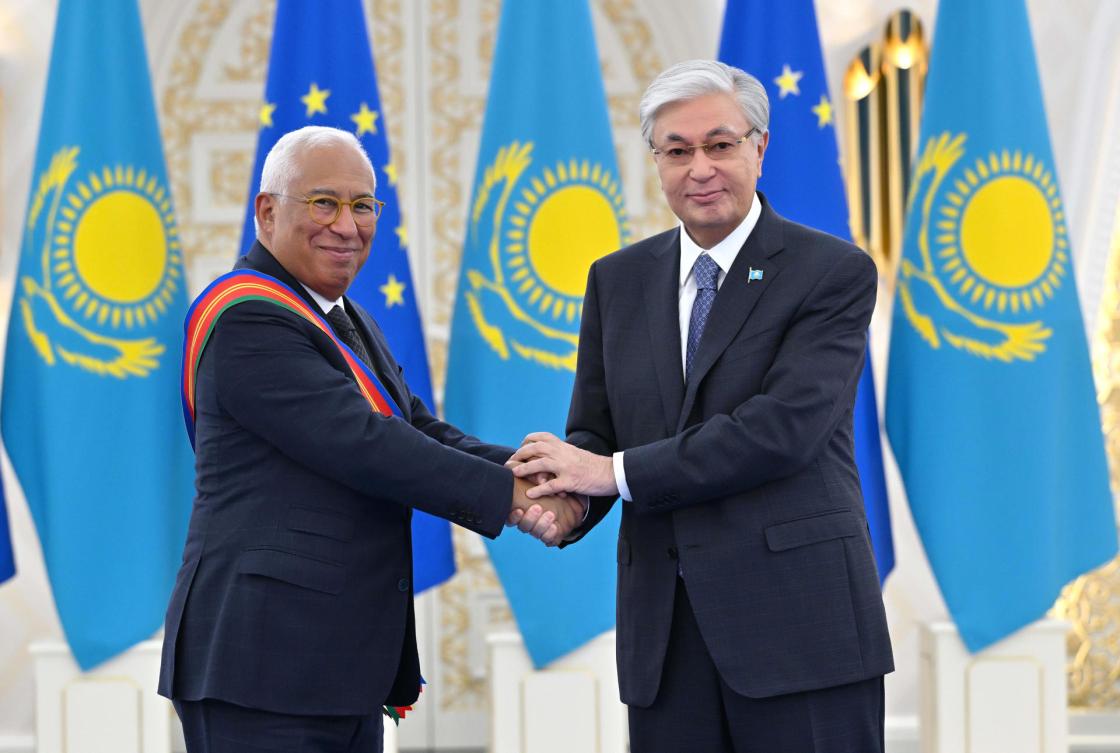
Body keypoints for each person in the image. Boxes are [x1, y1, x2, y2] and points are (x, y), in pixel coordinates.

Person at [511, 60, 894, 752]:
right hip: (665, 640)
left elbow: (781, 431)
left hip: (800, 633)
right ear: (656, 162)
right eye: (677, 150)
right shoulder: (616, 280)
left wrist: (608, 473)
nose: (700, 169)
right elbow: (594, 435)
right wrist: (567, 505)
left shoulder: (832, 272)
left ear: (760, 147)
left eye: (720, 145)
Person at [158, 125, 580, 752]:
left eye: (362, 205)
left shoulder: (345, 316)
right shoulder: (247, 316)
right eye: (324, 202)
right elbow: (365, 444)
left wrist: (546, 474)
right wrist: (512, 497)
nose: (347, 225)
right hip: (263, 664)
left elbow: (416, 429)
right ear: (267, 211)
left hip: (336, 664)